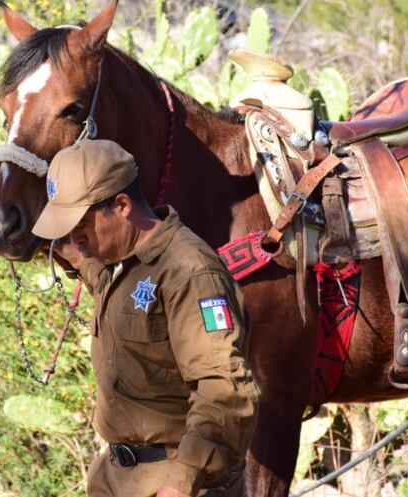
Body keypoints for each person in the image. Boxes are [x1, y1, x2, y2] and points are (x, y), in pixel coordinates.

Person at [31, 139, 259, 497]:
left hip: (176, 481)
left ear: (121, 205)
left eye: (80, 224)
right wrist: (49, 245)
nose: (75, 237)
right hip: (117, 477)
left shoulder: (189, 272)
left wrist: (181, 483)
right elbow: (86, 265)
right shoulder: (114, 258)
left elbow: (226, 388)